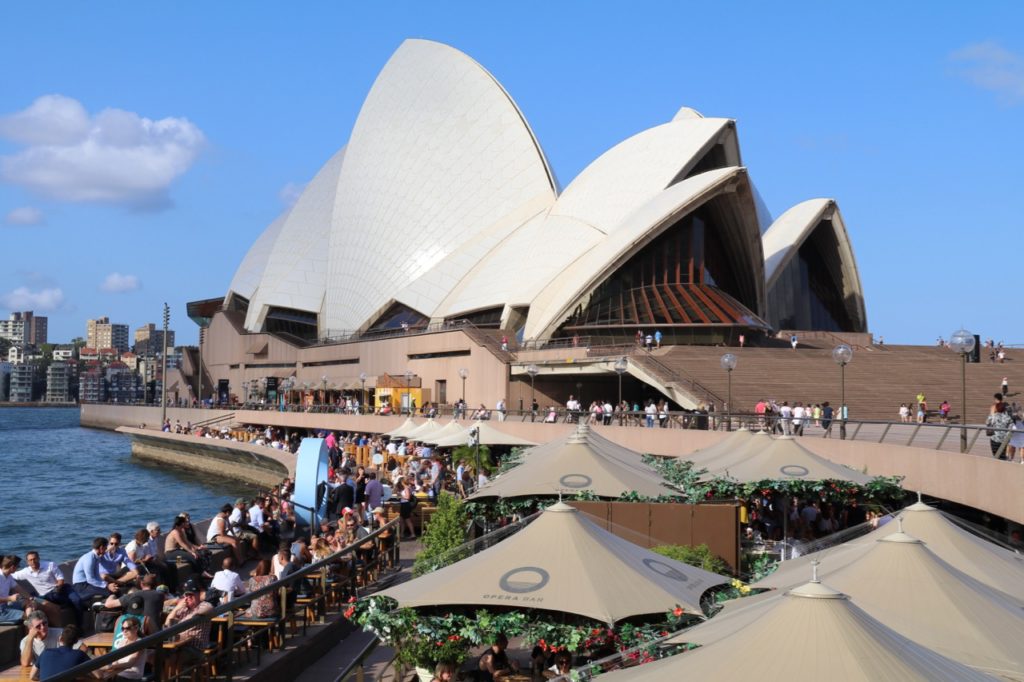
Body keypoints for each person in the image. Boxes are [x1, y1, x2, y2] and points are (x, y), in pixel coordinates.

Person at [13, 551, 83, 625]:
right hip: (46, 595)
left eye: (35, 559)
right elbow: (10, 573)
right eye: (30, 560)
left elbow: (60, 579)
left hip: (61, 589)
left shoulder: (50, 565)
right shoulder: (25, 572)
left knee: (77, 600)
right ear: (27, 562)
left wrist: (58, 588)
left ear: (38, 559)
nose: (33, 561)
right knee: (60, 601)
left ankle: (80, 625)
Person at [72, 537, 119, 601]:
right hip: (81, 585)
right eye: (105, 548)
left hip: (87, 583)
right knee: (108, 593)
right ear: (101, 548)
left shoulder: (96, 557)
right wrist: (107, 586)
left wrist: (106, 584)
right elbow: (90, 579)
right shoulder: (90, 558)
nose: (106, 551)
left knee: (114, 590)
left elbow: (96, 575)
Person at [0, 555, 39, 624]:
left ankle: (30, 622)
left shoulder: (8, 576)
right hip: (1, 611)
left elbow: (20, 589)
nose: (18, 568)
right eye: (18, 566)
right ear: (12, 567)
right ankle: (31, 628)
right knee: (30, 617)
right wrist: (9, 598)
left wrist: (31, 599)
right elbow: (10, 598)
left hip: (5, 605)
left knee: (28, 603)